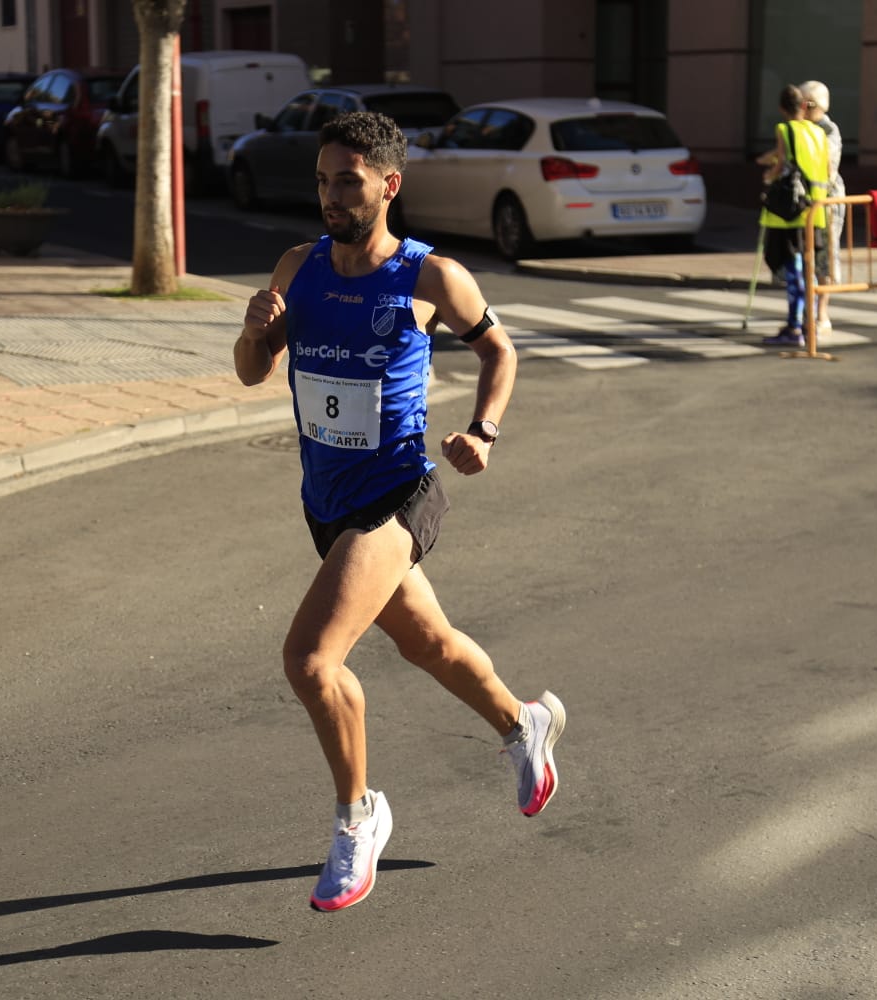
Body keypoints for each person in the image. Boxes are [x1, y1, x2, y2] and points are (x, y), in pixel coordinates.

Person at [234, 110, 565, 913]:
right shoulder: (297, 267)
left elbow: (499, 349)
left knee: (312, 661)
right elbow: (251, 371)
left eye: (347, 182)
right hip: (327, 504)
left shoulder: (429, 277)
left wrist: (484, 430)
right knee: (430, 645)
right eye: (322, 181)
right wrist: (253, 332)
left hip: (397, 495)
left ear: (389, 185)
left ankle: (359, 816)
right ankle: (523, 724)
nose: (331, 196)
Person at [755, 84, 829, 348]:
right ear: (803, 106)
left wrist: (769, 175)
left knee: (794, 268)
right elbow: (826, 169)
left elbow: (784, 163)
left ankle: (794, 326)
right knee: (809, 269)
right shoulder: (819, 133)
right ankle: (809, 325)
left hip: (791, 211)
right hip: (815, 209)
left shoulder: (785, 129)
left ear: (781, 108)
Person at [800, 80, 845, 335]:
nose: (801, 108)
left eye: (804, 103)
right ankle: (807, 312)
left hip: (826, 202)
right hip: (806, 202)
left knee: (825, 258)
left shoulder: (828, 130)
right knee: (807, 257)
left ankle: (822, 314)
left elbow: (825, 166)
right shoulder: (801, 128)